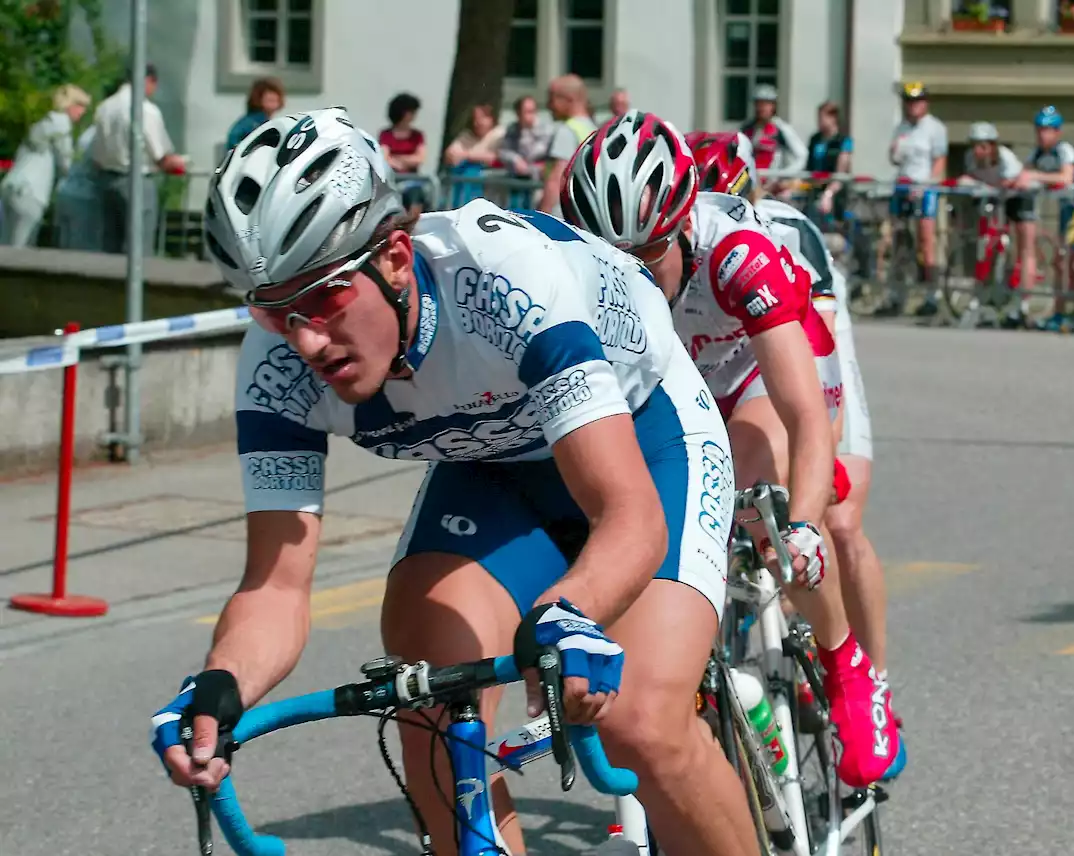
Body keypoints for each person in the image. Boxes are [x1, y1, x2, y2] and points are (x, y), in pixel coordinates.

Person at [152, 107, 760, 856]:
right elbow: (276, 588)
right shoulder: (275, 368)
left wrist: (570, 610)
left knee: (639, 720)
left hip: (643, 436)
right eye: (276, 312)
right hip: (494, 467)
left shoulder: (500, 280)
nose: (305, 338)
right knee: (428, 688)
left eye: (327, 296)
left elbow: (628, 515)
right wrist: (218, 685)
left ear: (398, 258)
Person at [562, 111, 903, 790]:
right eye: (609, 259)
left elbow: (804, 414)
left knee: (765, 516)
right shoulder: (584, 276)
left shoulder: (740, 252)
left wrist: (801, 523)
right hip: (682, 381)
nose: (625, 274)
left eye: (644, 255)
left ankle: (847, 668)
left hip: (762, 372)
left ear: (683, 224)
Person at [689, 131, 900, 763]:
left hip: (802, 352)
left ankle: (870, 680)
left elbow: (815, 366)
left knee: (834, 517)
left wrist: (813, 476)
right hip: (712, 371)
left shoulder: (777, 234)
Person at [89, 64, 186, 255]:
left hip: (107, 179)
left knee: (110, 244)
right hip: (136, 179)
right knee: (138, 246)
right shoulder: (145, 110)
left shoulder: (104, 107)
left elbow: (96, 155)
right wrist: (178, 163)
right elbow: (160, 155)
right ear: (148, 80)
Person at [1021, 106, 1074, 333]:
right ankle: (1059, 312)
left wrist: (1035, 176)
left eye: (1049, 130)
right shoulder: (1036, 154)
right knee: (1059, 262)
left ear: (1057, 132)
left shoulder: (1065, 150)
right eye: (1040, 130)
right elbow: (1022, 173)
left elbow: (1066, 178)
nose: (1043, 135)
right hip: (1066, 209)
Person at [959, 121, 1035, 328]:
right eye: (974, 146)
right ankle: (986, 293)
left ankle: (1024, 303)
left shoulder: (1005, 158)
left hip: (1017, 196)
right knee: (987, 242)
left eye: (982, 146)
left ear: (992, 146)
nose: (977, 151)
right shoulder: (970, 158)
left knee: (1024, 247)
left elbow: (1011, 183)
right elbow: (973, 178)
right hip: (993, 195)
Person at [0, 83, 91, 247]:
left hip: (11, 186)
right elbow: (66, 163)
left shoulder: (42, 123)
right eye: (80, 106)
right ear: (71, 105)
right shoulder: (62, 124)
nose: (82, 112)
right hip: (31, 192)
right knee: (21, 249)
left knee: (5, 244)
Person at [886, 81, 948, 317]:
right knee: (899, 240)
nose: (912, 106)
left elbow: (939, 162)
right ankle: (897, 294)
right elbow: (894, 158)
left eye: (917, 101)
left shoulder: (934, 128)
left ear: (925, 103)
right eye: (908, 102)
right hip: (902, 185)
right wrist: (894, 150)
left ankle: (932, 295)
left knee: (926, 241)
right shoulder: (901, 127)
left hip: (925, 188)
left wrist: (926, 186)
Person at [536, 74, 595, 215]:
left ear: (569, 100)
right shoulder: (593, 130)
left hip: (561, 215)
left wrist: (543, 216)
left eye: (552, 98)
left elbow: (556, 178)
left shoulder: (567, 131)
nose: (548, 105)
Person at [739, 83, 806, 182]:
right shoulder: (746, 128)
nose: (761, 108)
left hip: (772, 184)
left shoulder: (781, 128)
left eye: (766, 104)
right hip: (749, 182)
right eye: (758, 103)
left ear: (773, 106)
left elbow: (802, 155)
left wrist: (783, 176)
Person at [443, 103, 505, 207]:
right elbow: (450, 155)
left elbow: (496, 157)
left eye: (481, 118)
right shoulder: (466, 136)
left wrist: (467, 155)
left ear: (491, 119)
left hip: (490, 186)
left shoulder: (499, 134)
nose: (477, 122)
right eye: (475, 119)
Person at [378, 93, 429, 216]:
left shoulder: (417, 136)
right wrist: (406, 160)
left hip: (412, 181)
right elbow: (384, 157)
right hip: (392, 181)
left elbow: (420, 158)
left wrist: (397, 159)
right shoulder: (386, 135)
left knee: (415, 198)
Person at [805, 100, 853, 220]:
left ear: (833, 118)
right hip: (813, 188)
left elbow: (840, 173)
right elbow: (808, 166)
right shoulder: (814, 139)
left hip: (834, 192)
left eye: (822, 117)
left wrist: (828, 193)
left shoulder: (843, 141)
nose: (819, 121)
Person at [224, 77, 285, 151]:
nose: (274, 103)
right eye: (270, 100)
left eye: (276, 100)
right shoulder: (255, 125)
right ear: (259, 99)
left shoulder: (251, 122)